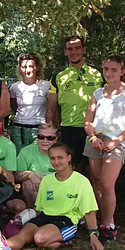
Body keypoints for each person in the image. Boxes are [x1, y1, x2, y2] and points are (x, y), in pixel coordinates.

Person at [0, 143, 103, 250]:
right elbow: (39, 208)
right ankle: (2, 245)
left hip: (66, 220)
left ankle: (59, 240)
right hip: (45, 217)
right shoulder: (47, 180)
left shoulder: (81, 181)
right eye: (52, 158)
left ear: (69, 157)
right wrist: (27, 216)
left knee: (39, 237)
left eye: (60, 157)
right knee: (23, 235)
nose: (56, 161)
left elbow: (89, 211)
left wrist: (93, 235)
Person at [83, 55, 125, 241]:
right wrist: (92, 137)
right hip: (96, 139)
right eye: (106, 69)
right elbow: (88, 121)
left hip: (117, 142)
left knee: (108, 183)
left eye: (114, 69)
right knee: (97, 182)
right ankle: (98, 222)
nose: (108, 73)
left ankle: (109, 224)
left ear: (122, 71)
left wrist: (116, 141)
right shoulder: (98, 93)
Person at [47, 36, 104, 171]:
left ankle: (93, 193)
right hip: (68, 130)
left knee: (94, 172)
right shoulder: (58, 77)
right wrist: (53, 130)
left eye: (77, 48)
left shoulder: (99, 74)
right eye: (70, 49)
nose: (74, 52)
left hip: (93, 131)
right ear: (65, 52)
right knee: (71, 170)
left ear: (84, 50)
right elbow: (51, 108)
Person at [9, 53, 50, 153]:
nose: (27, 70)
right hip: (19, 129)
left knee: (37, 158)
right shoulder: (15, 87)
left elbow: (51, 108)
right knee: (19, 158)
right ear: (19, 68)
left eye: (31, 66)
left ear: (37, 67)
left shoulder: (46, 85)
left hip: (39, 129)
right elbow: (14, 107)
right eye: (24, 67)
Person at [15, 123, 59, 209]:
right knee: (27, 184)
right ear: (37, 138)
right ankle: (33, 213)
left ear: (55, 139)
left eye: (50, 138)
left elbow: (66, 177)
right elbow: (16, 177)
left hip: (57, 187)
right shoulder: (26, 151)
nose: (45, 141)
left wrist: (39, 177)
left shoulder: (61, 153)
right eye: (41, 137)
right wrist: (30, 175)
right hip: (36, 189)